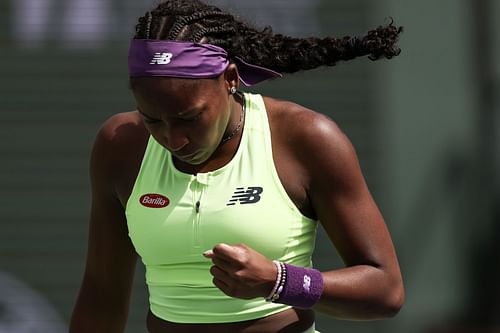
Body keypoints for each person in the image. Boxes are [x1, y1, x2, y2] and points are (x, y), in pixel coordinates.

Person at [69, 0, 404, 332]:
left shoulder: (308, 138)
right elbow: (103, 294)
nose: (173, 139)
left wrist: (279, 281)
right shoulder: (119, 145)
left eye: (189, 118)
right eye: (152, 119)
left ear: (230, 78)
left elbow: (385, 290)